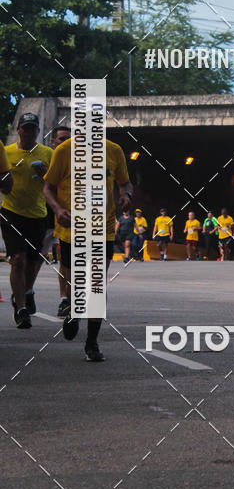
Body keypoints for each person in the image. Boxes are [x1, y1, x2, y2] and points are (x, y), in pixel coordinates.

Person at [43, 136, 133, 361]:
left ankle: (92, 343)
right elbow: (48, 187)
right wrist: (57, 209)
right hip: (72, 229)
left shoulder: (114, 150)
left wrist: (125, 194)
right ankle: (74, 308)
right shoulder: (64, 150)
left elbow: (125, 182)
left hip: (103, 228)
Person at [0, 113, 53, 329]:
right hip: (11, 212)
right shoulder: (7, 152)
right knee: (18, 259)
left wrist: (45, 174)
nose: (29, 132)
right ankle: (21, 308)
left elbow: (56, 182)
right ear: (18, 130)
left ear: (38, 132)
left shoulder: (47, 153)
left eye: (33, 129)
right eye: (25, 128)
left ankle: (27, 290)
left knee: (32, 262)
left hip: (37, 214)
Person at [46, 125, 71, 316]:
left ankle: (71, 297)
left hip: (70, 216)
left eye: (68, 138)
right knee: (64, 261)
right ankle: (65, 297)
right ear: (53, 141)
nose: (66, 142)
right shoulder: (49, 157)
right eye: (61, 139)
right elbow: (48, 186)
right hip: (49, 211)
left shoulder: (74, 157)